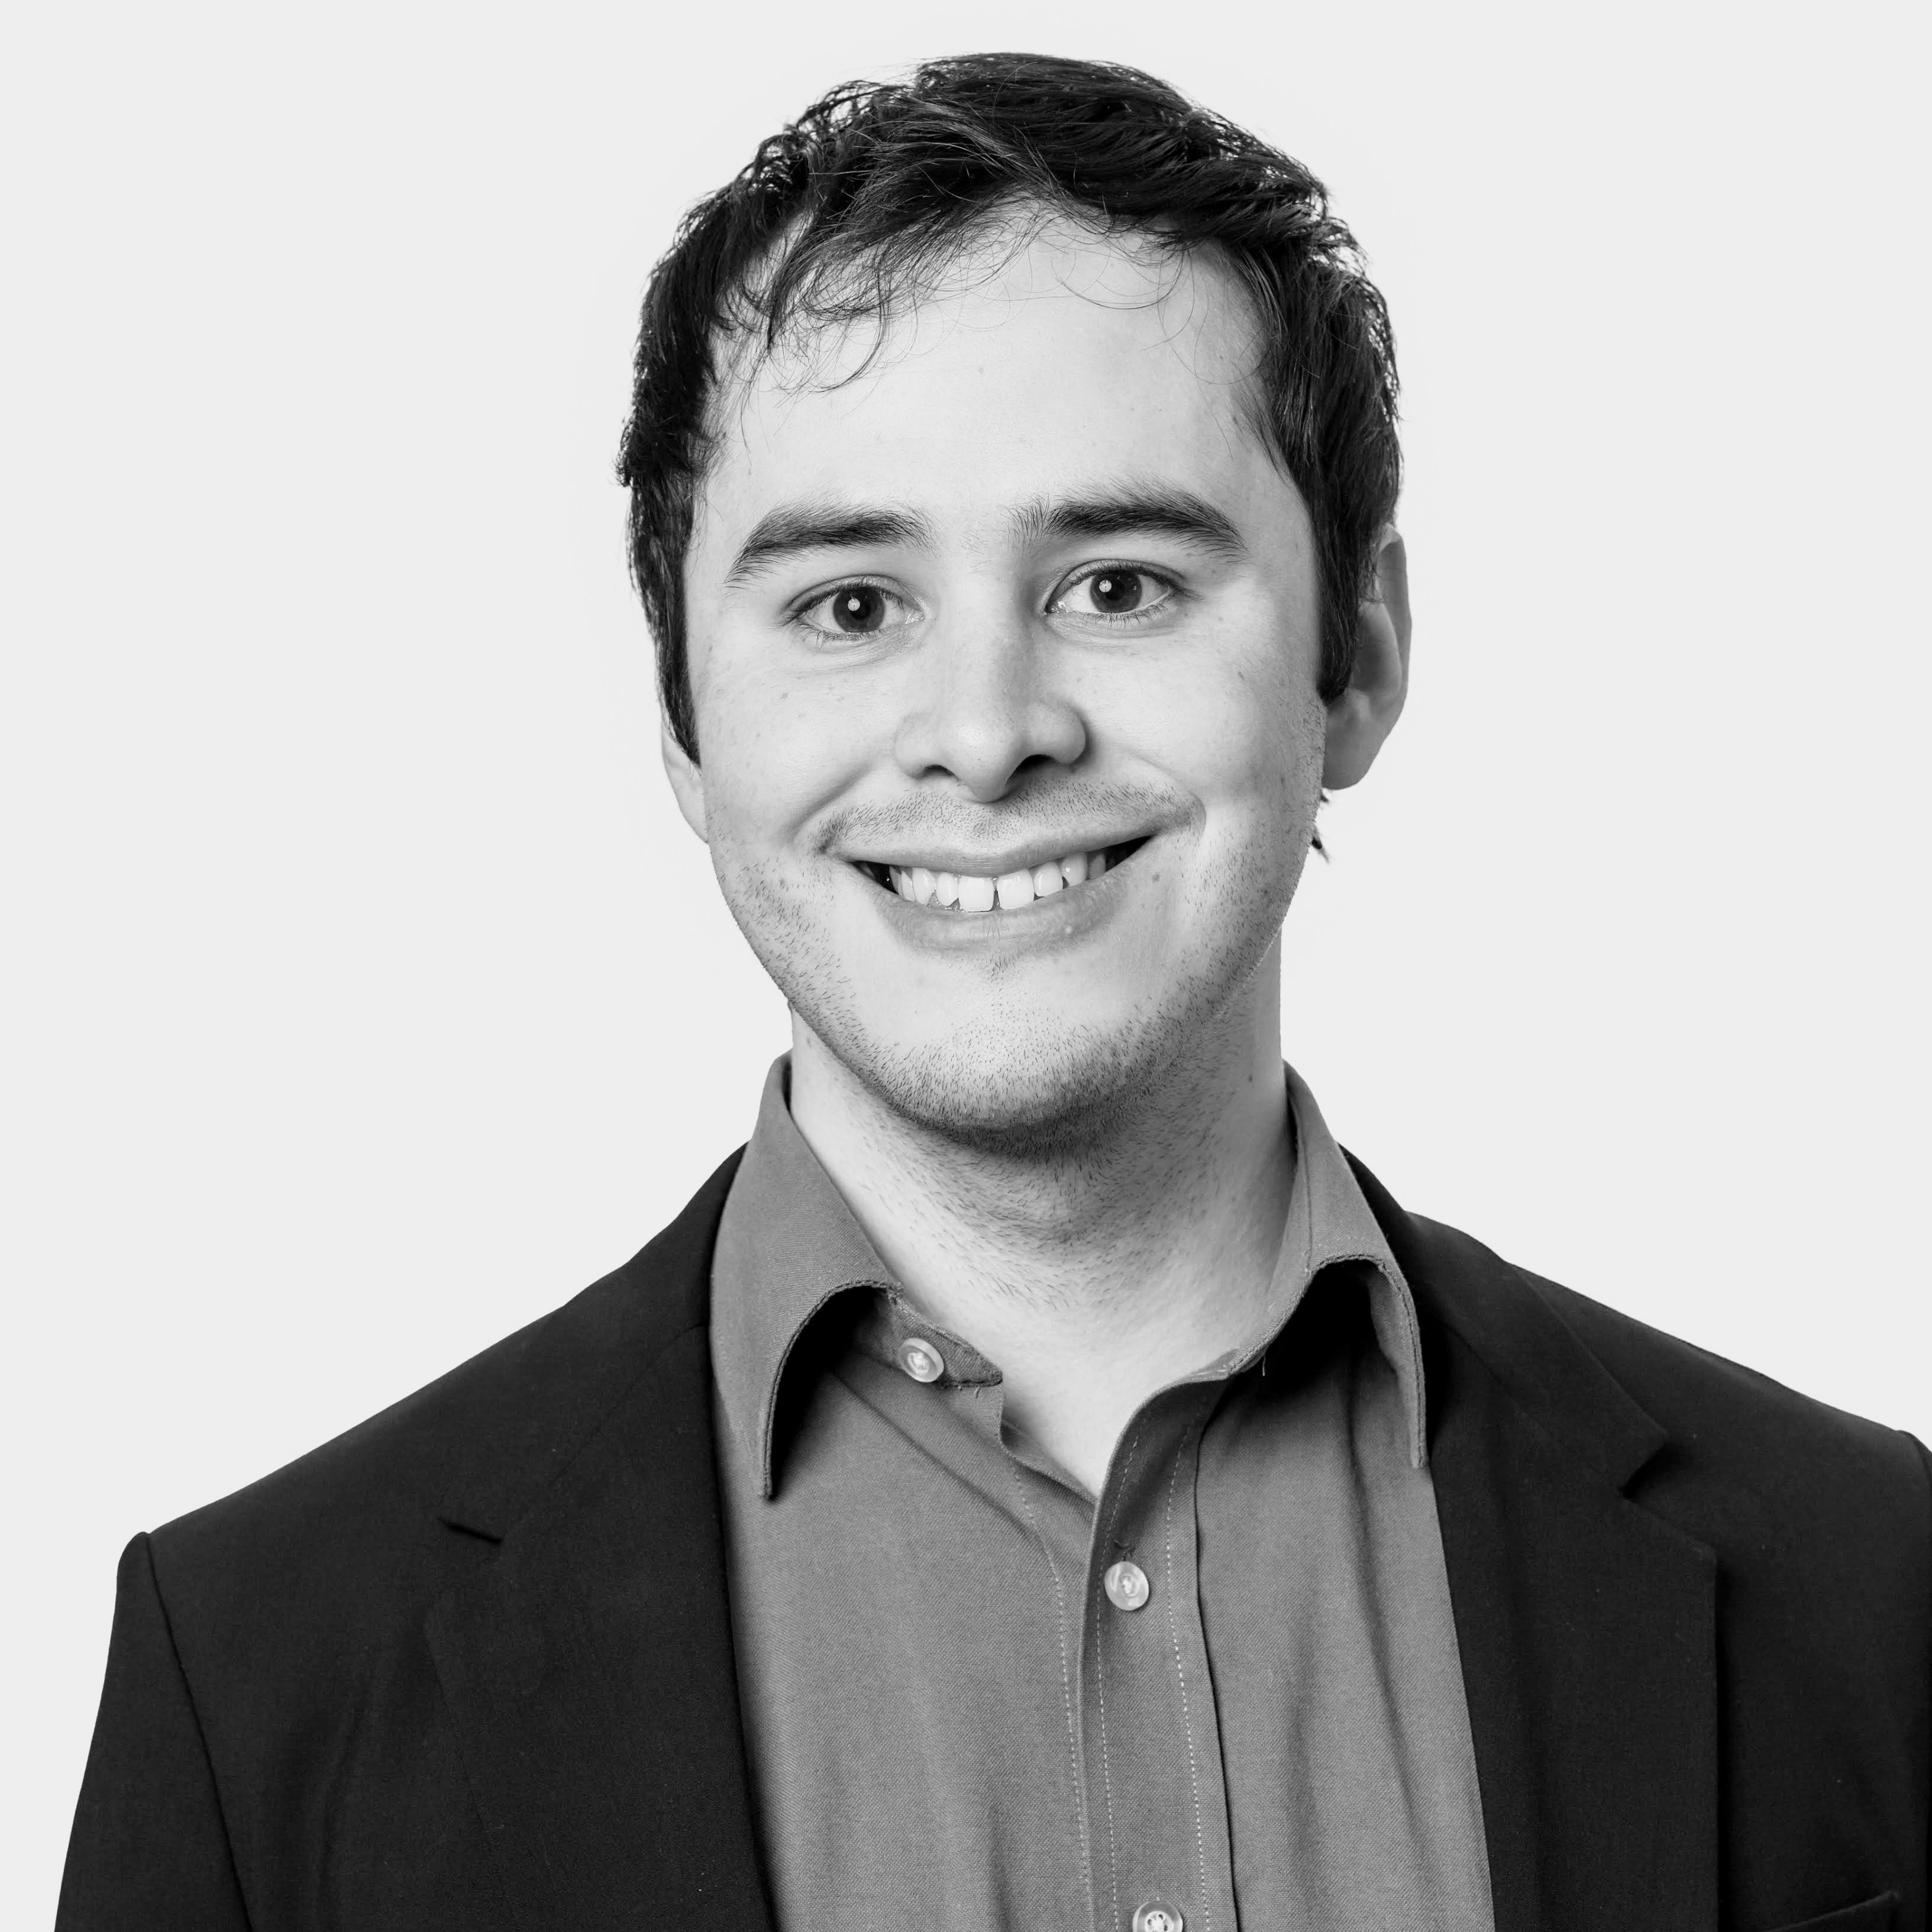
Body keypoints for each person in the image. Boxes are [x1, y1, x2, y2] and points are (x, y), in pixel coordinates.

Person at [57, 51, 1928, 1932]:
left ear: (1357, 656)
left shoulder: (1870, 1590)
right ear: (684, 722)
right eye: (850, 605)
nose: (984, 731)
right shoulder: (259, 1694)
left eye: (1117, 585)